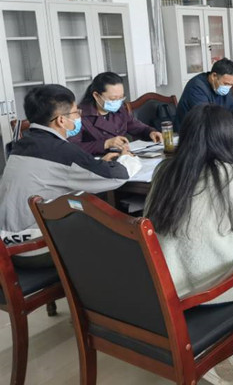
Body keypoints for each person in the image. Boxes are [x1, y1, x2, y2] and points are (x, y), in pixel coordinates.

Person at [144, 103, 233, 385]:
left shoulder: (164, 171)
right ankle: (221, 345)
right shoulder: (229, 174)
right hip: (211, 288)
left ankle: (214, 341)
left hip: (169, 287)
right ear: (226, 138)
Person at [0, 85, 140, 268]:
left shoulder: (22, 144)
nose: (78, 116)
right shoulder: (61, 150)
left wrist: (98, 164)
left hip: (7, 244)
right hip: (35, 248)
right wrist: (127, 159)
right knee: (122, 237)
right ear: (61, 120)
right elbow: (117, 176)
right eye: (75, 113)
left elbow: (63, 170)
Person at [69, 72, 162, 155]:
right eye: (113, 99)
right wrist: (105, 144)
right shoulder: (78, 115)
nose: (117, 102)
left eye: (121, 97)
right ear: (96, 96)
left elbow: (138, 127)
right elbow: (72, 148)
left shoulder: (120, 110)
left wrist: (151, 132)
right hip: (97, 162)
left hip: (122, 157)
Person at [175, 58, 233, 131]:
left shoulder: (222, 87)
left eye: (231, 84)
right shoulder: (196, 87)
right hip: (190, 132)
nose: (228, 87)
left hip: (213, 130)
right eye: (226, 84)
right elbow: (206, 117)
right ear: (214, 76)